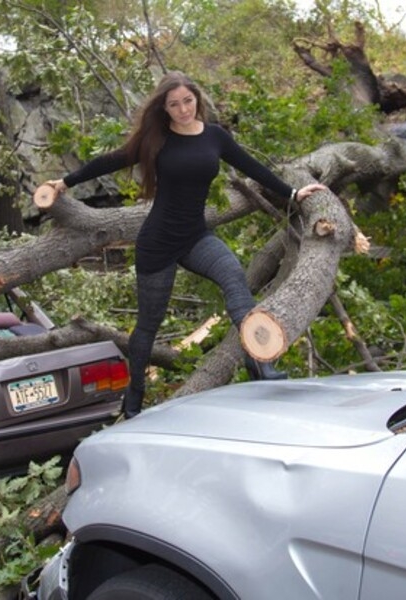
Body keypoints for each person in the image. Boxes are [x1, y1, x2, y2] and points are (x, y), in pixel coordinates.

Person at [44, 71, 327, 419]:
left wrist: (293, 193)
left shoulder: (215, 137)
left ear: (197, 99)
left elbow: (252, 167)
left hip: (195, 237)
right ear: (164, 108)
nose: (183, 109)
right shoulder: (156, 139)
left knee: (235, 279)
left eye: (188, 101)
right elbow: (111, 160)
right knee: (149, 325)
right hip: (158, 244)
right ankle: (133, 400)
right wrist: (65, 181)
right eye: (174, 104)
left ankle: (260, 363)